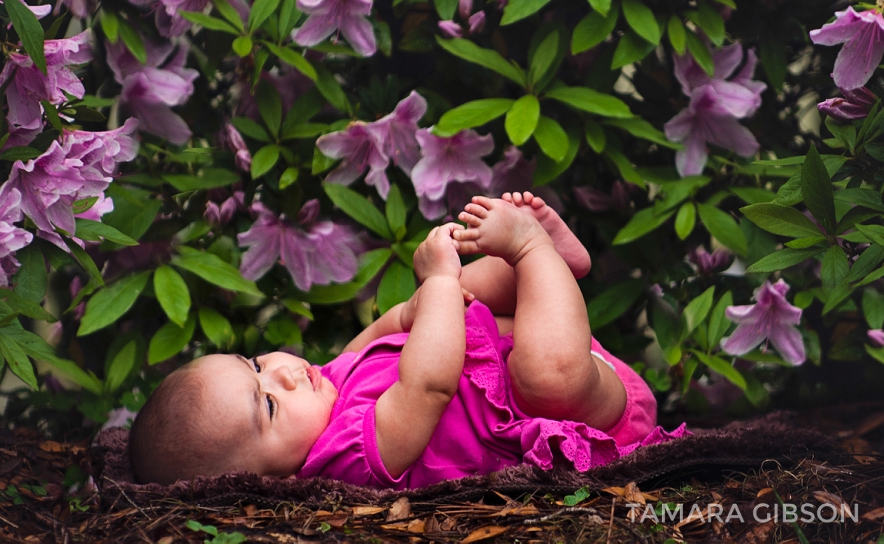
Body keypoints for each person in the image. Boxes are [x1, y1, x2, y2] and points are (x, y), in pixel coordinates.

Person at [130, 192, 686, 488]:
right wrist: (439, 282)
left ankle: (555, 270)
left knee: (467, 293)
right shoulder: (344, 458)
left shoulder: (323, 389)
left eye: (253, 363)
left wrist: (416, 307)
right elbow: (427, 387)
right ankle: (534, 255)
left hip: (511, 350)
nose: (282, 371)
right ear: (262, 479)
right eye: (268, 405)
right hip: (579, 410)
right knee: (545, 375)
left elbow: (380, 335)